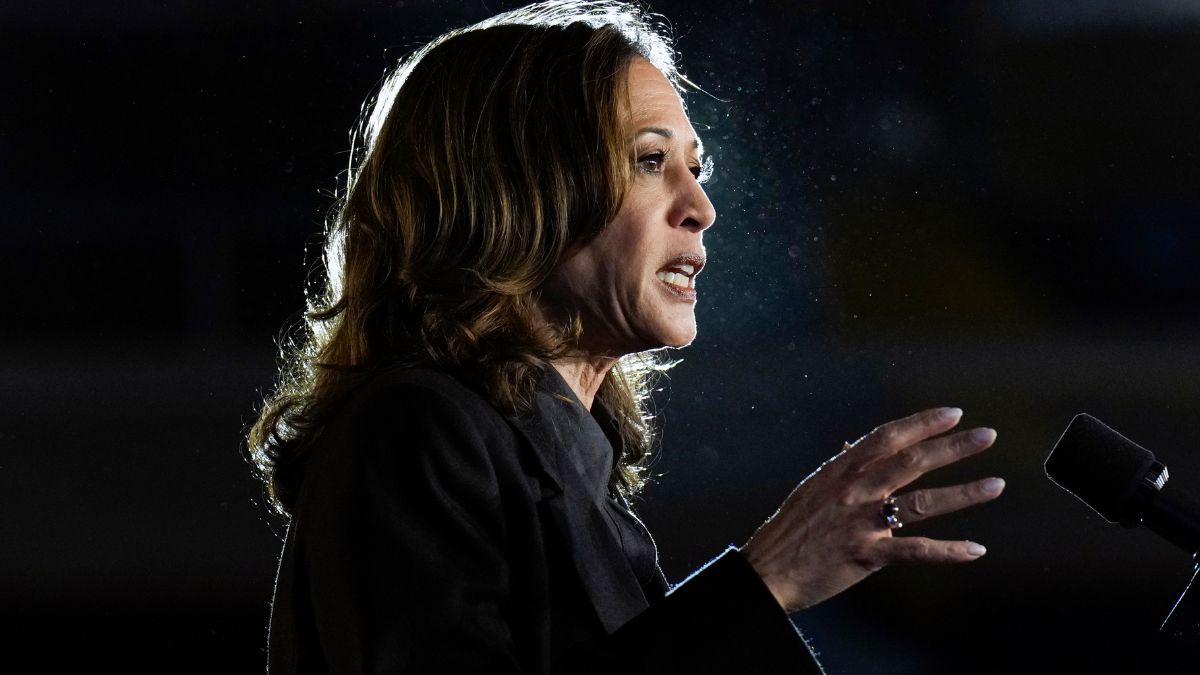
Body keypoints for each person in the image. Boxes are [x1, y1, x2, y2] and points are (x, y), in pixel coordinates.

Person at [248, 2, 1006, 672]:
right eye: (650, 161)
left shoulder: (575, 472)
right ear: (517, 189)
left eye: (695, 167)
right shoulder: (414, 430)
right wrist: (766, 579)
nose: (701, 206)